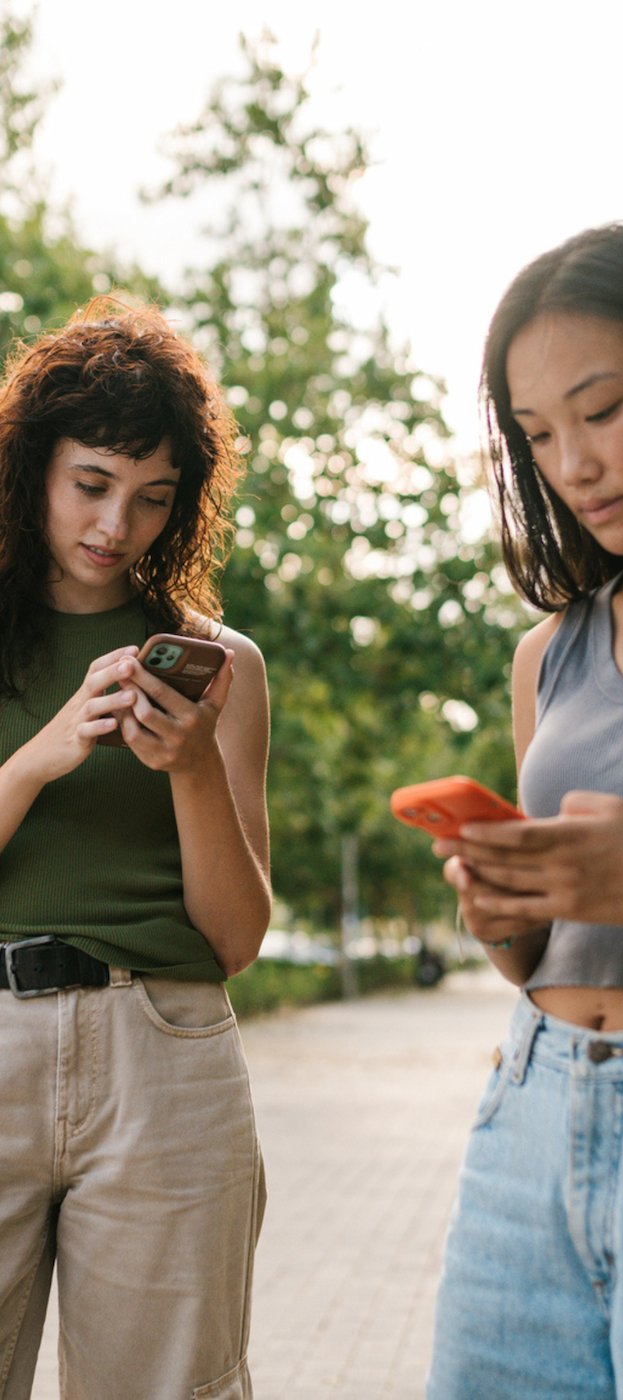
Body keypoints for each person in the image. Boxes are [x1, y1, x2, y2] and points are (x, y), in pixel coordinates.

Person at [426, 223, 623, 1400]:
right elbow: (540, 951)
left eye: (600, 409)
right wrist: (499, 909)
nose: (571, 463)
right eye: (538, 435)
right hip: (530, 1114)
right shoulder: (549, 655)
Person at [0, 298, 271, 1399]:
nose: (119, 524)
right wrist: (40, 757)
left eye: (155, 497)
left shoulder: (223, 665)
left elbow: (237, 935)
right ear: (31, 467)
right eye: (93, 483)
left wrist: (192, 764)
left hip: (166, 1049)